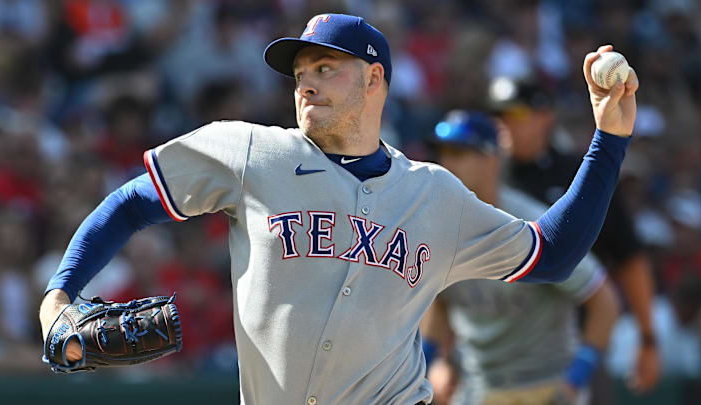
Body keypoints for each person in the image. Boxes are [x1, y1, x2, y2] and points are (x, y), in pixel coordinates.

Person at [39, 13, 639, 405]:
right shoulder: (250, 152)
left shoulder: (436, 195)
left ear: (373, 79)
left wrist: (608, 139)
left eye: (326, 68)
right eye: (300, 73)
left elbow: (555, 255)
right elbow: (131, 203)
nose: (306, 83)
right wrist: (61, 293)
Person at [420, 111, 620, 405]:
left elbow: (603, 300)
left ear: (492, 160)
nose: (448, 163)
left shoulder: (529, 224)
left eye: (461, 153)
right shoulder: (438, 227)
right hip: (479, 385)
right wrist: (435, 362)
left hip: (546, 386)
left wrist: (575, 380)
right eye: (443, 153)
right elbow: (440, 303)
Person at [491, 76, 661, 395]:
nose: (503, 124)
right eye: (497, 116)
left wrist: (647, 337)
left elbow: (628, 257)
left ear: (545, 117)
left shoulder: (579, 172)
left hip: (577, 350)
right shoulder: (485, 177)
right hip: (494, 359)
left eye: (515, 114)